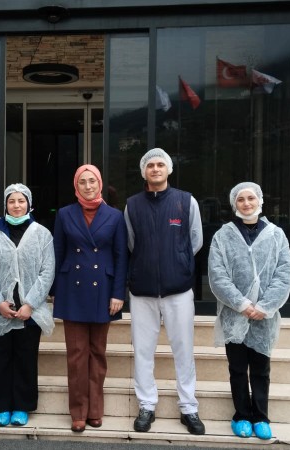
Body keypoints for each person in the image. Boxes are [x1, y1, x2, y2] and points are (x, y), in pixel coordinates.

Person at [124, 148, 205, 435]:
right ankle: (146, 405)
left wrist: (178, 263)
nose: (156, 169)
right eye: (150, 165)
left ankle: (189, 407)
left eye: (161, 164)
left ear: (169, 169)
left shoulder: (186, 201)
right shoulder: (132, 205)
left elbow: (195, 240)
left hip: (178, 290)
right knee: (143, 351)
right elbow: (131, 243)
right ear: (144, 171)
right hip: (142, 291)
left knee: (183, 350)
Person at [208, 182, 290, 440]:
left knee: (260, 369)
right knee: (237, 368)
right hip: (234, 314)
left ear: (260, 201)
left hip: (264, 316)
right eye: (241, 199)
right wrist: (242, 304)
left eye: (251, 198)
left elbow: (284, 273)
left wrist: (265, 306)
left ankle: (261, 417)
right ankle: (242, 415)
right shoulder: (223, 235)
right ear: (234, 204)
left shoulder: (276, 235)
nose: (246, 203)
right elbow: (218, 275)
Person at [53, 164, 128, 432]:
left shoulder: (115, 216)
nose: (88, 186)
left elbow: (121, 256)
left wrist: (118, 293)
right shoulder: (64, 214)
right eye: (82, 182)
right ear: (76, 185)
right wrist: (55, 290)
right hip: (72, 289)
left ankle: (95, 410)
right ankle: (78, 411)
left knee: (97, 353)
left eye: (92, 181)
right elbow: (57, 252)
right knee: (76, 355)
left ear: (100, 184)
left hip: (103, 290)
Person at [0, 183, 55, 427]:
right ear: (5, 205)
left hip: (29, 311)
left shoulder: (42, 234)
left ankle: (22, 406)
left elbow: (47, 271)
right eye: (12, 201)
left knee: (25, 359)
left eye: (21, 201)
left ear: (29, 204)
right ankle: (0, 407)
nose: (17, 205)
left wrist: (30, 303)